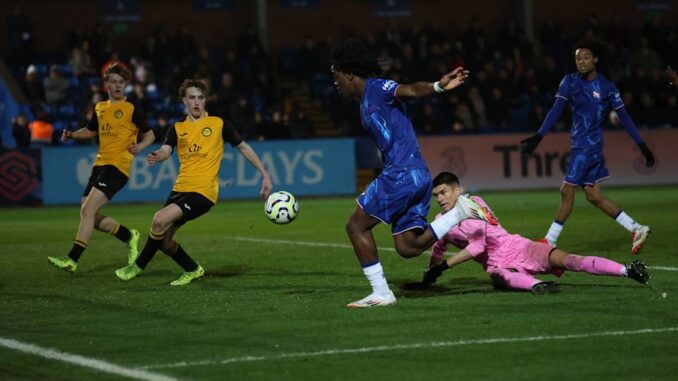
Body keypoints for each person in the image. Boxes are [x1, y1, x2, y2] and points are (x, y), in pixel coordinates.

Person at [330, 38, 497, 308]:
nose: (335, 82)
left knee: (355, 225)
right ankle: (458, 213)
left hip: (402, 173)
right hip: (416, 174)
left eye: (336, 75)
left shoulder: (377, 88)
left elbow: (409, 90)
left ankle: (381, 292)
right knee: (408, 247)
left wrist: (437, 86)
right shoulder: (363, 104)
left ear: (349, 74)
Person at [114, 79, 272, 286]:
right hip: (180, 189)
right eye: (192, 98)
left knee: (158, 220)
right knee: (163, 241)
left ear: (205, 100)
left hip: (203, 193)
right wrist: (158, 156)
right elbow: (166, 150)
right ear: (184, 101)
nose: (197, 102)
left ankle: (138, 266)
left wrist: (265, 175)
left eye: (200, 98)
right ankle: (192, 269)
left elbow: (243, 147)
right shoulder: (178, 128)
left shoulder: (218, 124)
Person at [520, 42, 655, 254]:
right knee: (594, 196)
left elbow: (625, 118)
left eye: (585, 57)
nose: (581, 62)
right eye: (577, 58)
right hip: (581, 145)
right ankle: (637, 228)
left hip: (588, 147)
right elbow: (556, 110)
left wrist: (642, 145)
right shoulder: (569, 81)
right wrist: (538, 136)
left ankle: (549, 241)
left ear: (595, 60)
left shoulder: (607, 87)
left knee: (566, 191)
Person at [422, 172, 650, 293]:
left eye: (443, 193)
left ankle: (627, 271)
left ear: (457, 190)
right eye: (436, 196)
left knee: (568, 259)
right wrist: (430, 271)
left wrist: (442, 268)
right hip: (495, 263)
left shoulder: (473, 204)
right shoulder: (441, 220)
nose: (440, 199)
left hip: (517, 247)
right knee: (498, 276)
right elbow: (439, 245)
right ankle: (536, 285)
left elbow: (478, 247)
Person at [47, 63, 155, 272]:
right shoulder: (100, 107)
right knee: (89, 216)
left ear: (125, 85)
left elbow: (150, 134)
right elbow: (90, 130)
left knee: (87, 211)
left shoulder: (131, 107)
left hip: (118, 167)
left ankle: (73, 259)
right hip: (100, 165)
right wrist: (73, 135)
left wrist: (141, 145)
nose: (117, 85)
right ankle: (128, 235)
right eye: (113, 81)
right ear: (106, 84)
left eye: (121, 82)